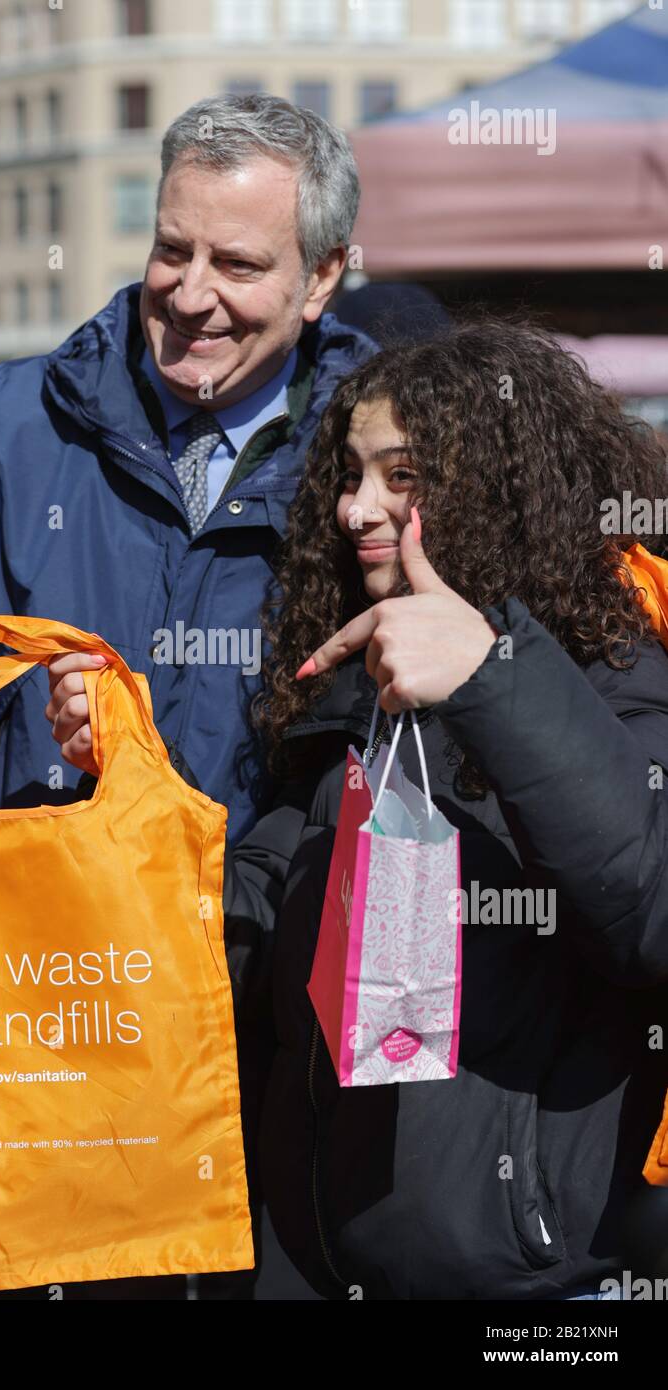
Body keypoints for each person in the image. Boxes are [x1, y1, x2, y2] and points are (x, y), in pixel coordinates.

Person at [0, 93, 377, 1297]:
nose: (189, 294)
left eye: (237, 264)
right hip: (24, 1048)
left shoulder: (378, 459)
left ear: (320, 279)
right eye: (169, 248)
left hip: (280, 1058)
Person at [225, 319, 668, 1300]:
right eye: (348, 475)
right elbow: (258, 920)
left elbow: (649, 907)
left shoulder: (621, 673)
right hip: (318, 1264)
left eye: (401, 475)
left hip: (539, 1289)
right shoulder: (355, 687)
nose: (355, 508)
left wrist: (491, 676)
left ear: (495, 488)